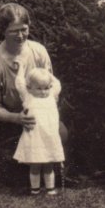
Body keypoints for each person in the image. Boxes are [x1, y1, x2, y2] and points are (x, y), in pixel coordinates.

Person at [0, 3, 68, 187]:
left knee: (61, 132)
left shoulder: (38, 51)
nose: (20, 35)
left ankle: (54, 171)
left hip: (39, 118)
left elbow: (52, 87)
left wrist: (46, 113)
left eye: (24, 29)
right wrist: (17, 118)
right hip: (12, 123)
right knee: (15, 177)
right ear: (3, 31)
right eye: (14, 31)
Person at [12, 61, 65, 195]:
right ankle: (35, 189)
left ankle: (50, 189)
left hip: (49, 137)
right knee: (35, 165)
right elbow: (19, 84)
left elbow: (57, 84)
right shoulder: (28, 97)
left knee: (49, 164)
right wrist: (21, 69)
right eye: (39, 88)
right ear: (30, 88)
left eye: (46, 88)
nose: (43, 91)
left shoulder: (52, 96)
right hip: (35, 138)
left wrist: (48, 73)